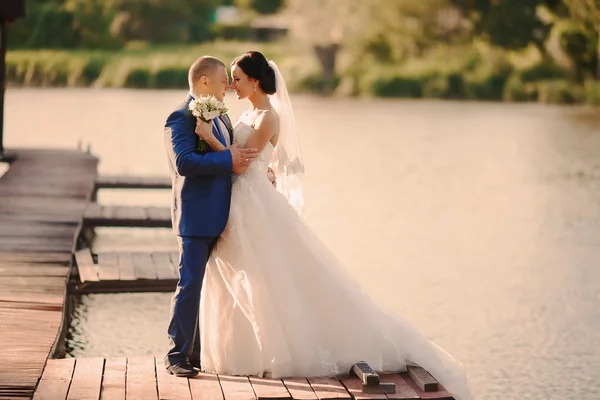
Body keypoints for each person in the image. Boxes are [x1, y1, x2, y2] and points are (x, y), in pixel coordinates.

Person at [194, 51, 475, 400]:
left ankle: (276, 350)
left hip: (254, 207)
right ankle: (237, 352)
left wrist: (208, 137)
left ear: (254, 81)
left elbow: (238, 166)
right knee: (239, 276)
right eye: (230, 79)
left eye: (236, 78)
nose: (231, 85)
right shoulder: (246, 113)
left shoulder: (268, 117)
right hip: (242, 203)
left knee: (267, 278)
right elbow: (247, 163)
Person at [163, 55, 259, 377]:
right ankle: (177, 356)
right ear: (204, 82)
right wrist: (228, 160)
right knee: (190, 284)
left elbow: (228, 153)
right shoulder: (180, 117)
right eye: (222, 83)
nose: (226, 89)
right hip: (195, 217)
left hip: (222, 216)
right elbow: (184, 163)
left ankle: (202, 353)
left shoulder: (221, 117)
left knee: (213, 288)